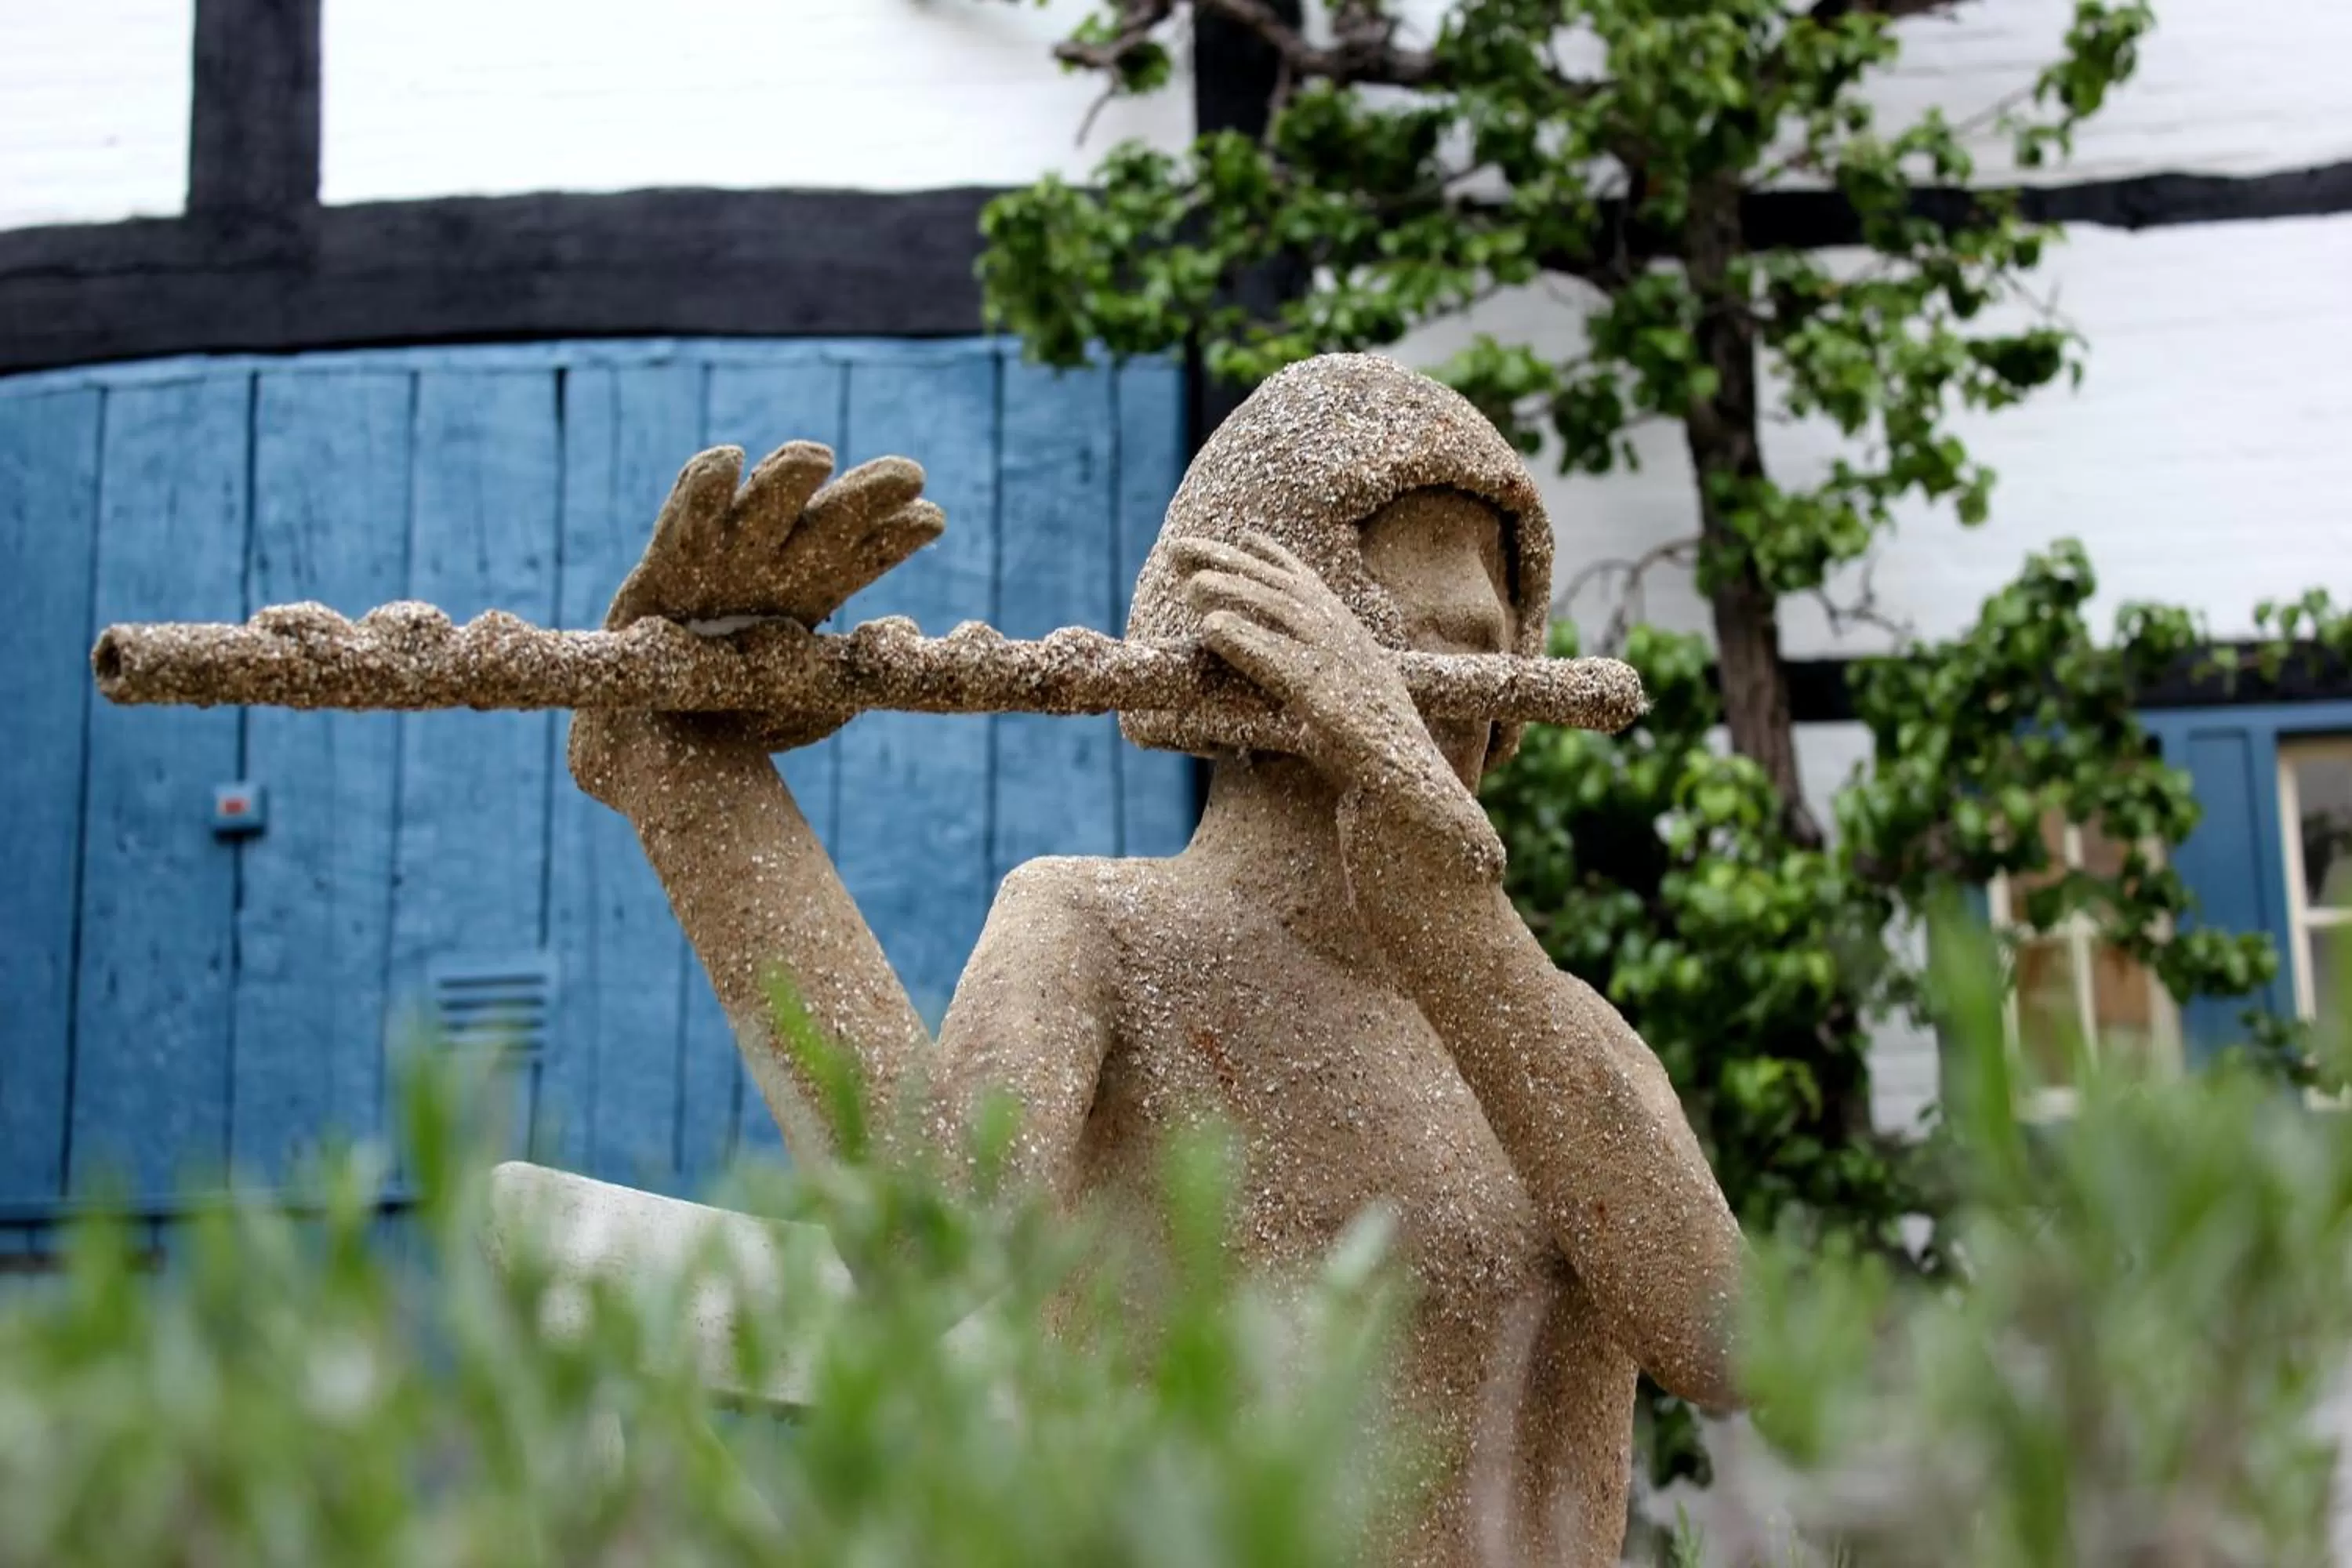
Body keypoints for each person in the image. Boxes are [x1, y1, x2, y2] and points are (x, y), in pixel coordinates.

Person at [569, 354, 1743, 1566]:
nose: (1437, 702)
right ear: (1249, 654)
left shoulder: (1556, 1034)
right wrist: (689, 773)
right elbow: (925, 1245)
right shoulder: (1101, 934)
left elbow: (1716, 1338)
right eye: (1397, 645)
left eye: (1479, 649)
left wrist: (1450, 918)